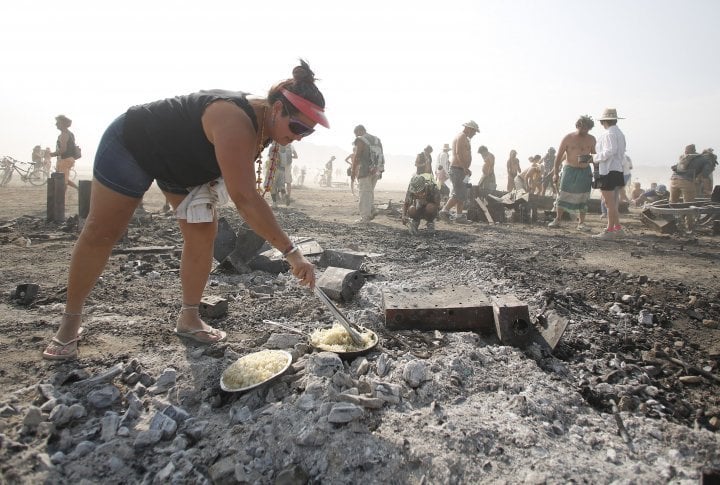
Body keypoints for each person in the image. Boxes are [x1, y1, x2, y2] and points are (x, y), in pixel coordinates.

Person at [42, 61, 325, 360]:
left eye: (308, 132)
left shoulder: (267, 124)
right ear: (278, 109)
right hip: (135, 144)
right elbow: (245, 198)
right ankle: (69, 325)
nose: (299, 137)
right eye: (297, 127)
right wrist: (292, 253)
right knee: (102, 231)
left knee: (203, 231)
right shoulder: (235, 119)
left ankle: (189, 318)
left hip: (182, 166)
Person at [548, 115, 596, 231]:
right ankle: (558, 219)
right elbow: (559, 157)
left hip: (585, 171)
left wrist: (597, 173)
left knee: (583, 197)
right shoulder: (568, 138)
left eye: (587, 128)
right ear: (578, 125)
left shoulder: (591, 139)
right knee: (563, 194)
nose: (584, 130)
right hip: (569, 169)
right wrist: (555, 173)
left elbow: (595, 156)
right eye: (582, 128)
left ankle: (581, 223)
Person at [592, 108, 627, 239]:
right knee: (612, 202)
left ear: (604, 121)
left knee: (609, 203)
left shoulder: (609, 134)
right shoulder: (619, 133)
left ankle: (609, 230)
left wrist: (594, 158)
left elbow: (609, 151)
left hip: (608, 170)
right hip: (616, 169)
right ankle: (617, 228)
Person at [438, 121, 479, 224]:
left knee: (462, 193)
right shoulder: (461, 137)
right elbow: (458, 154)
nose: (474, 134)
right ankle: (444, 210)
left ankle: (459, 216)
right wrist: (465, 168)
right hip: (458, 169)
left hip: (461, 169)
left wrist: (466, 168)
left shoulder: (464, 138)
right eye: (474, 131)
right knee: (458, 193)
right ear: (469, 128)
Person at [351, 125, 384, 223]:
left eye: (356, 134)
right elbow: (381, 155)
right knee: (369, 192)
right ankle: (372, 210)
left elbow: (357, 156)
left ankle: (365, 218)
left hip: (365, 170)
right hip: (376, 170)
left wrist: (353, 171)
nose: (356, 136)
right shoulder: (377, 140)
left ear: (360, 131)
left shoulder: (361, 139)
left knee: (364, 193)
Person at [50, 114, 79, 192]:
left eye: (58, 122)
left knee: (62, 181)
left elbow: (63, 150)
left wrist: (52, 154)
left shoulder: (64, 134)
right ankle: (80, 189)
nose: (56, 124)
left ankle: (60, 200)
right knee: (62, 178)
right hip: (69, 159)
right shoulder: (70, 133)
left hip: (65, 159)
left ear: (62, 124)